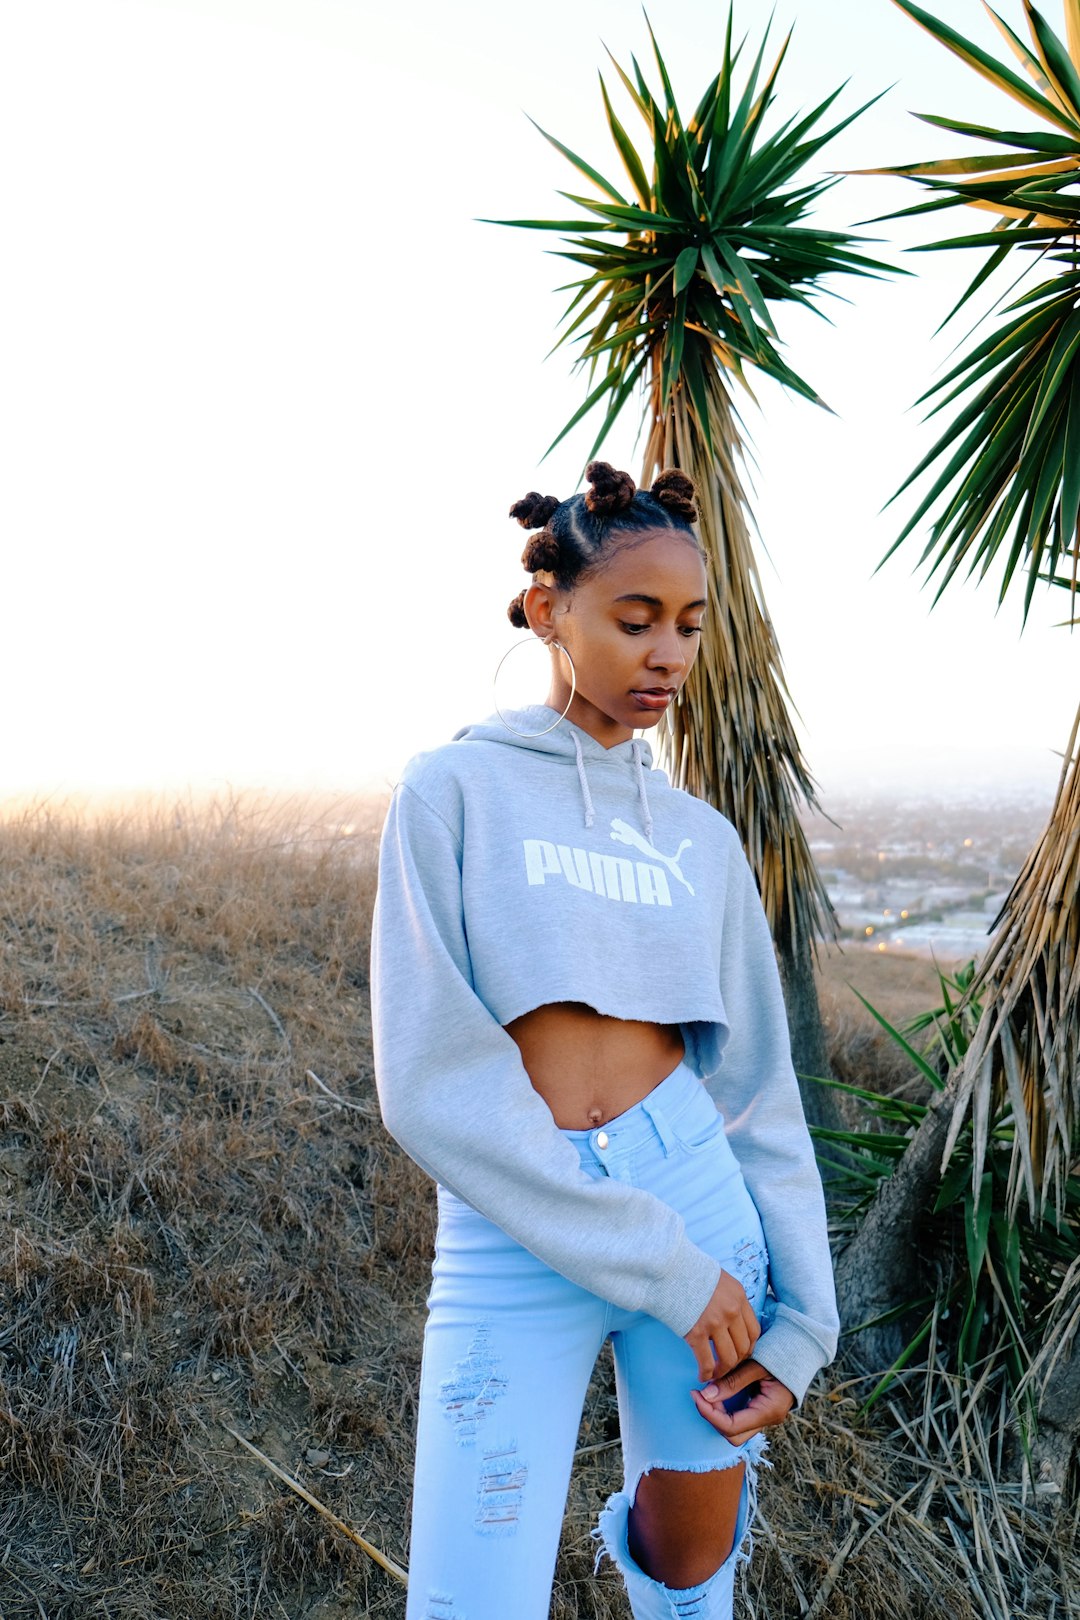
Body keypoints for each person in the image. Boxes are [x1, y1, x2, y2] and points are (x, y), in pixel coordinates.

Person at [369, 461, 839, 1620]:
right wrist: (666, 1272)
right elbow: (428, 1081)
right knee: (470, 1597)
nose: (669, 655)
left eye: (688, 625)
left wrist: (805, 1323)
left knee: (689, 1569)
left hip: (697, 1198)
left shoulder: (700, 841)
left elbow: (758, 1095)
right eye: (636, 621)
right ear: (548, 613)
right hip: (519, 1226)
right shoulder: (453, 793)